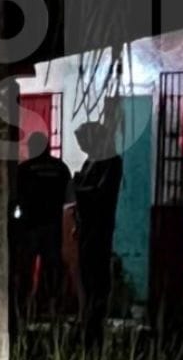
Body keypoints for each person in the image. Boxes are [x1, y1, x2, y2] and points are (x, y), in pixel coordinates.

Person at [13, 132, 73, 321]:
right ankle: (49, 305)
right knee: (52, 267)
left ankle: (23, 306)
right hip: (53, 226)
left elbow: (15, 197)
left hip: (29, 226)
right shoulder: (61, 168)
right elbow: (69, 199)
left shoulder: (23, 169)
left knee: (25, 267)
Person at [73, 122, 123, 347]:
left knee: (97, 278)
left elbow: (100, 194)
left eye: (84, 141)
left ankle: (94, 327)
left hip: (99, 229)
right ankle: (88, 324)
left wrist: (78, 190)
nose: (81, 146)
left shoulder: (111, 161)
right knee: (87, 277)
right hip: (86, 228)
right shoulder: (90, 161)